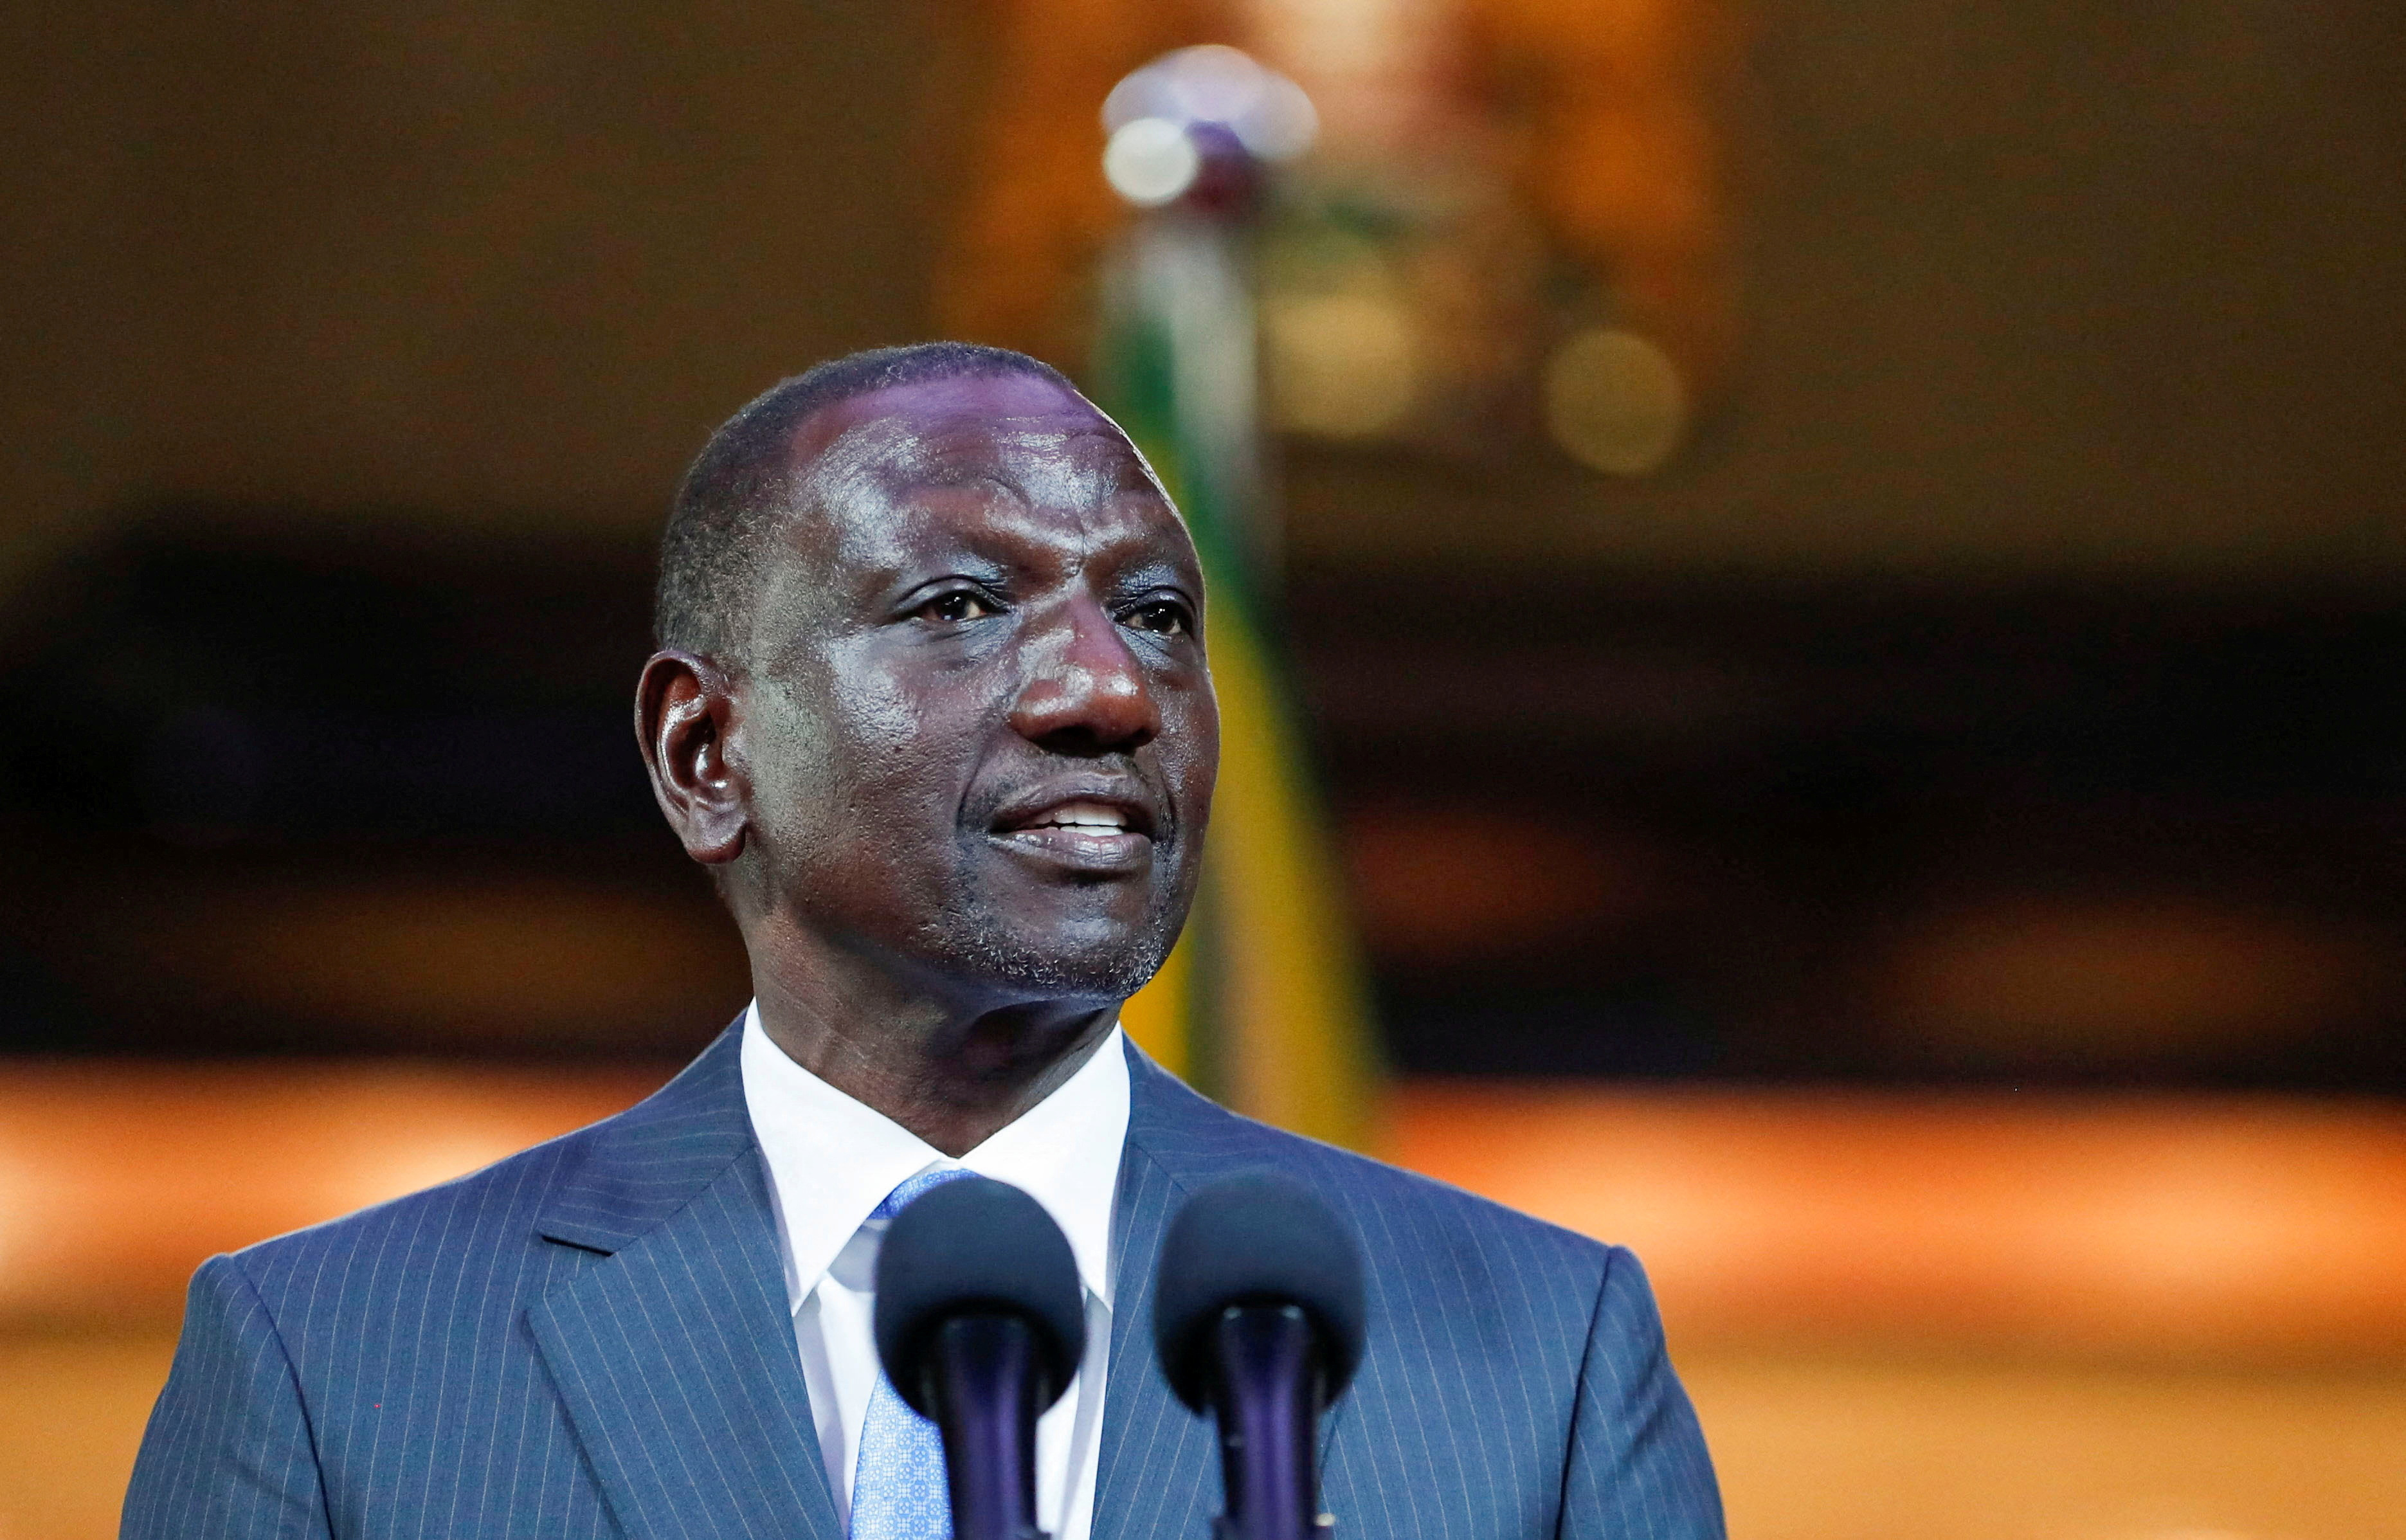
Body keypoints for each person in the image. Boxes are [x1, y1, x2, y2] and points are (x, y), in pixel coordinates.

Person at [123, 343, 1723, 1540]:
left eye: (1157, 614)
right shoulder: (333, 1367)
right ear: (704, 754)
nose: (1106, 692)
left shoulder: (1538, 1363)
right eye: (961, 602)